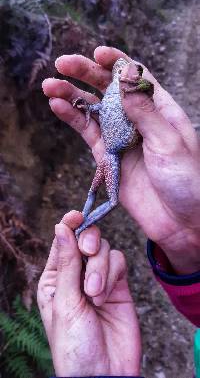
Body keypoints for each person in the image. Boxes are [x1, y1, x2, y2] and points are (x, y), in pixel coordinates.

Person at [38, 46, 200, 377]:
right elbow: (101, 108)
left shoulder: (132, 94)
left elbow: (130, 108)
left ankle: (80, 228)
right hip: (109, 151)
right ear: (115, 74)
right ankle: (80, 223)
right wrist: (90, 107)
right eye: (122, 71)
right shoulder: (114, 89)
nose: (124, 73)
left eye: (131, 74)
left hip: (115, 151)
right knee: (94, 189)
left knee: (110, 199)